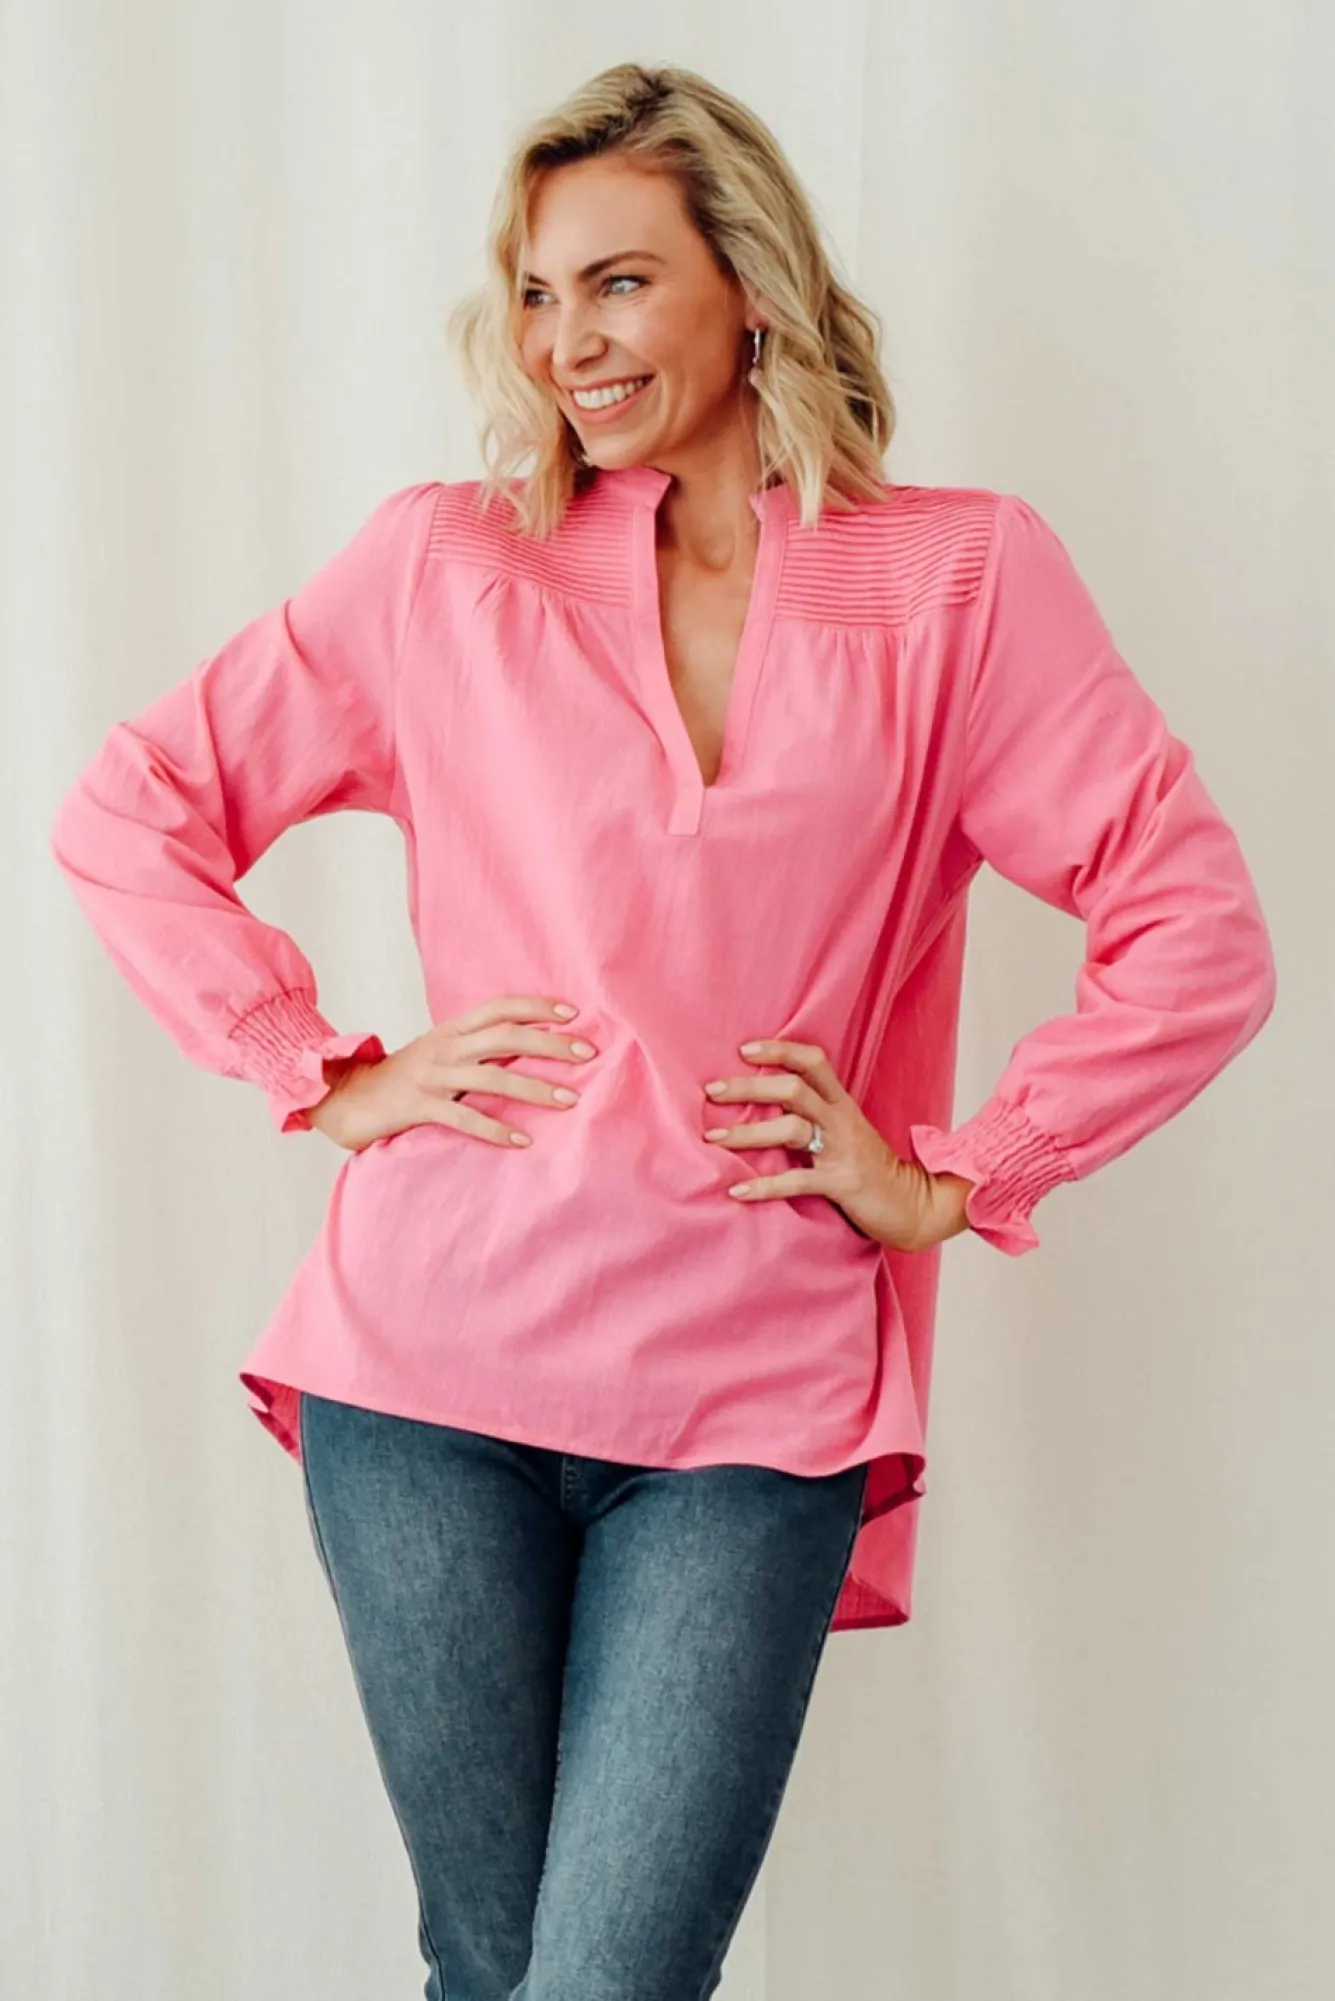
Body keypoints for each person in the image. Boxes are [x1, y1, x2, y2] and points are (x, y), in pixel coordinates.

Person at [49, 60, 1276, 2001]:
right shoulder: (445, 562)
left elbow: (1193, 927)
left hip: (754, 1394)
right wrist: (326, 1067)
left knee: (608, 1981)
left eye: (618, 282)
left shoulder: (957, 580)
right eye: (538, 294)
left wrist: (955, 1171)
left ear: (751, 284)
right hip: (426, 1374)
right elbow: (133, 810)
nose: (567, 342)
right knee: (490, 1966)